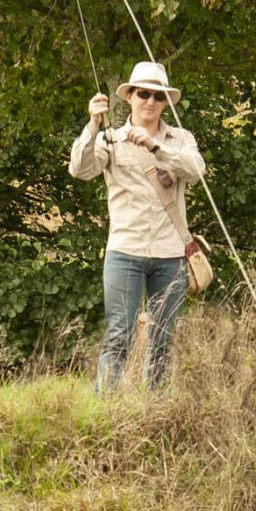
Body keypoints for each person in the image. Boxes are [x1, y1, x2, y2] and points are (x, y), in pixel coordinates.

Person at [68, 61, 208, 391]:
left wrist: (155, 146)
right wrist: (91, 125)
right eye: (143, 93)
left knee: (163, 341)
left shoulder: (180, 138)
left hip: (170, 255)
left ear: (166, 102)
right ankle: (106, 410)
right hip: (124, 250)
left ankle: (154, 411)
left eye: (158, 96)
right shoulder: (110, 139)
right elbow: (80, 168)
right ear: (129, 96)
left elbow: (195, 171)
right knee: (120, 336)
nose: (150, 101)